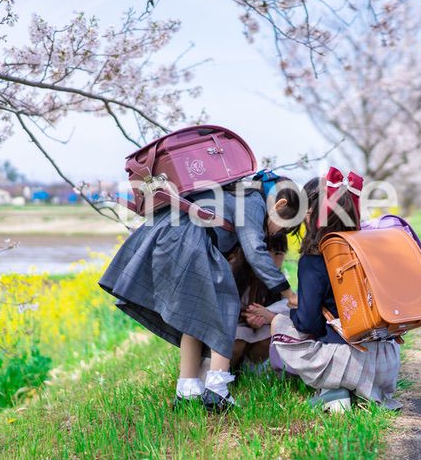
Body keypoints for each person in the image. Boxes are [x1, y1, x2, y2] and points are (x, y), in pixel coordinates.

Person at [99, 174, 301, 413]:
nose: (277, 234)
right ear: (280, 206)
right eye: (283, 228)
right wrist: (289, 294)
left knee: (193, 317)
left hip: (173, 239)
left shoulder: (238, 192)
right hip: (189, 243)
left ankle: (186, 391)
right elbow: (255, 251)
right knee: (223, 306)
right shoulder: (253, 200)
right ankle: (216, 392)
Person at [266, 172, 402, 413]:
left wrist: (294, 310)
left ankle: (332, 389)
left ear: (309, 215)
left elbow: (309, 324)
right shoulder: (366, 246)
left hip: (347, 361)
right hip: (386, 361)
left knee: (279, 320)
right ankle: (357, 389)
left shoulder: (314, 259)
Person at [229, 234, 290, 371]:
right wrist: (248, 316)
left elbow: (287, 306)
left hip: (261, 325)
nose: (271, 259)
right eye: (266, 253)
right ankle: (227, 371)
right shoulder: (236, 272)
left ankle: (250, 370)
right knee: (236, 342)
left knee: (270, 336)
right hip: (235, 324)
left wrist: (267, 316)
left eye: (278, 253)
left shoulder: (280, 281)